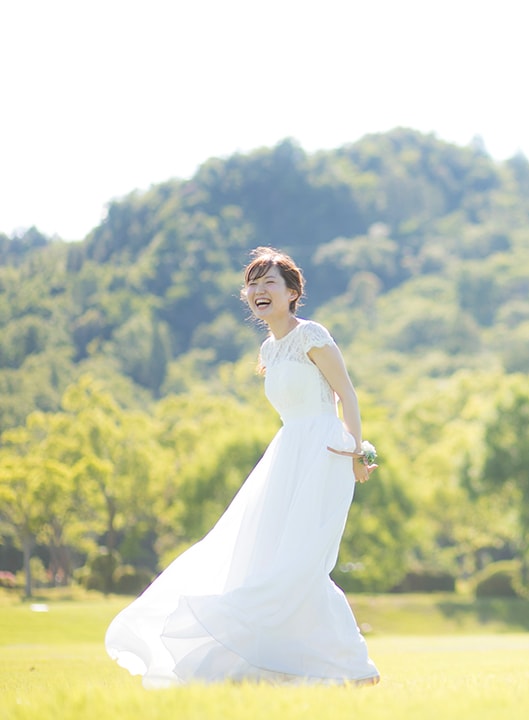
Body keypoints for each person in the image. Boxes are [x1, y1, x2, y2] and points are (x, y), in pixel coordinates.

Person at [105, 247, 381, 687]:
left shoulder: (311, 335)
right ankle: (308, 665)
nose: (259, 291)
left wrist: (356, 452)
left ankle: (351, 667)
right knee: (268, 555)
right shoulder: (268, 350)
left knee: (303, 560)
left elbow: (346, 393)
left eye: (269, 282)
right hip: (287, 450)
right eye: (253, 284)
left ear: (292, 294)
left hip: (325, 451)